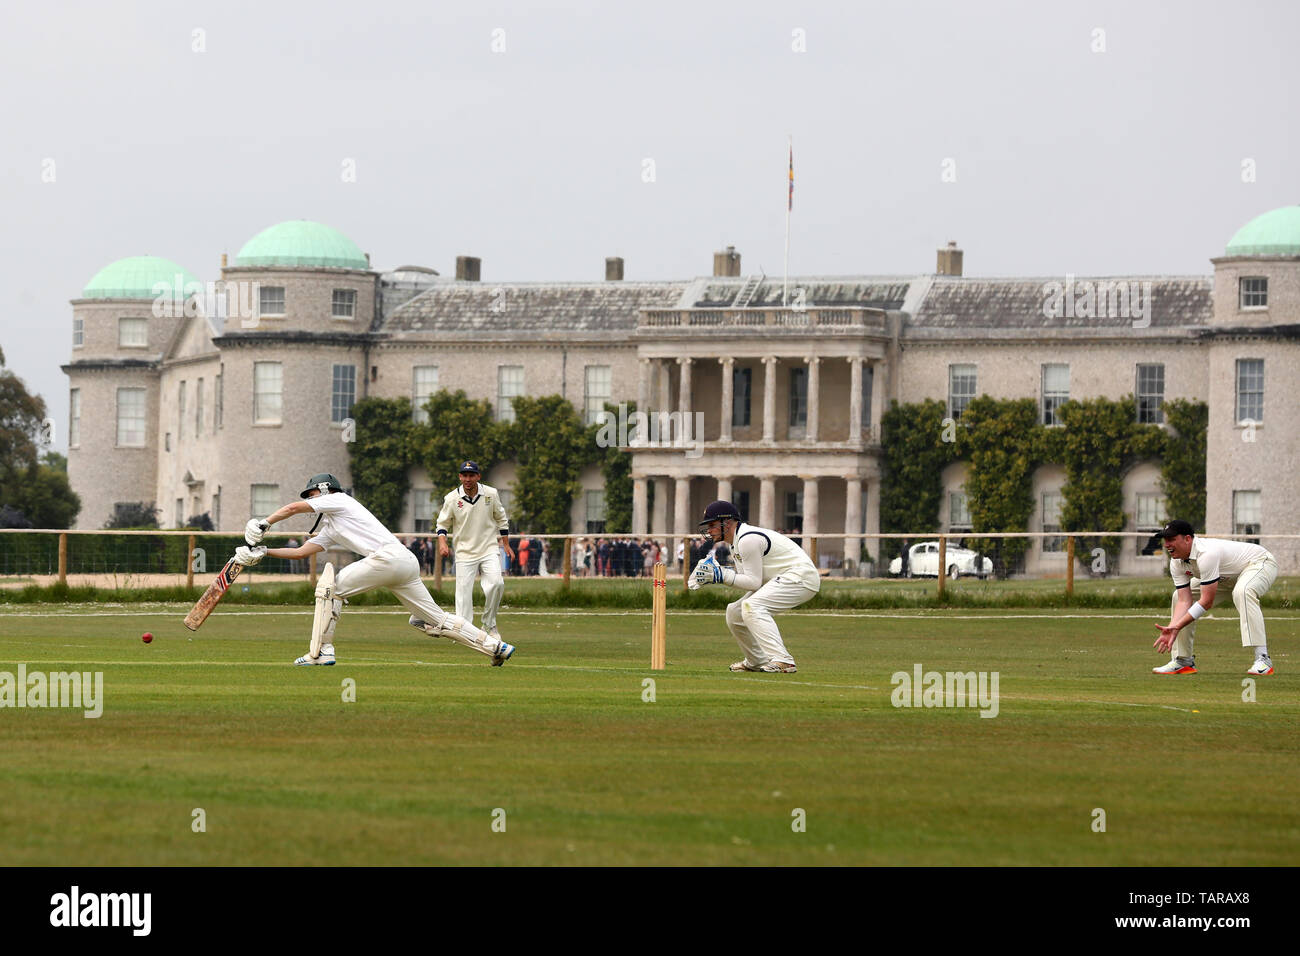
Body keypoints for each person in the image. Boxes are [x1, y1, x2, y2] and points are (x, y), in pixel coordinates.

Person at [236, 472, 514, 667]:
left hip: (387, 560)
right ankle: (495, 647)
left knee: (330, 588)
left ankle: (321, 652)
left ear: (322, 491)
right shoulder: (333, 525)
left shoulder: (339, 500)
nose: (311, 503)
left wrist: (265, 522)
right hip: (403, 563)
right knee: (436, 621)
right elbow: (300, 552)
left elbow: (293, 507)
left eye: (312, 495)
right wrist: (263, 552)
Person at [687, 499, 820, 673]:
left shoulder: (747, 540)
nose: (709, 530)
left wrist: (721, 576)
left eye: (712, 525)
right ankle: (756, 660)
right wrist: (718, 574)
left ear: (727, 523)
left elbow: (753, 582)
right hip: (784, 577)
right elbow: (749, 580)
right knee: (734, 612)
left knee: (753, 606)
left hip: (801, 577)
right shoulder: (737, 543)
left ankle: (783, 660)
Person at [1152, 519, 1278, 675]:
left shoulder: (1206, 554)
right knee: (1178, 596)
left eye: (1171, 539)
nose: (1167, 544)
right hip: (1224, 578)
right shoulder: (1176, 562)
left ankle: (1263, 659)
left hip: (1259, 563)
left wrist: (1178, 626)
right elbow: (1185, 600)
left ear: (1188, 539)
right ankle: (1183, 660)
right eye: (1165, 540)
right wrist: (1172, 627)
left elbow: (1206, 602)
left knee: (1243, 591)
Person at [436, 461, 514, 641]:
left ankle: (489, 625)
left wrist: (506, 544)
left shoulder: (491, 494)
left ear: (478, 476)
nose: (468, 479)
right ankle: (464, 631)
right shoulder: (452, 498)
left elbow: (502, 519)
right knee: (463, 595)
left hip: (488, 548)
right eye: (464, 475)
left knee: (496, 583)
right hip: (464, 551)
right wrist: (442, 543)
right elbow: (442, 524)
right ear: (460, 477)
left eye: (471, 475)